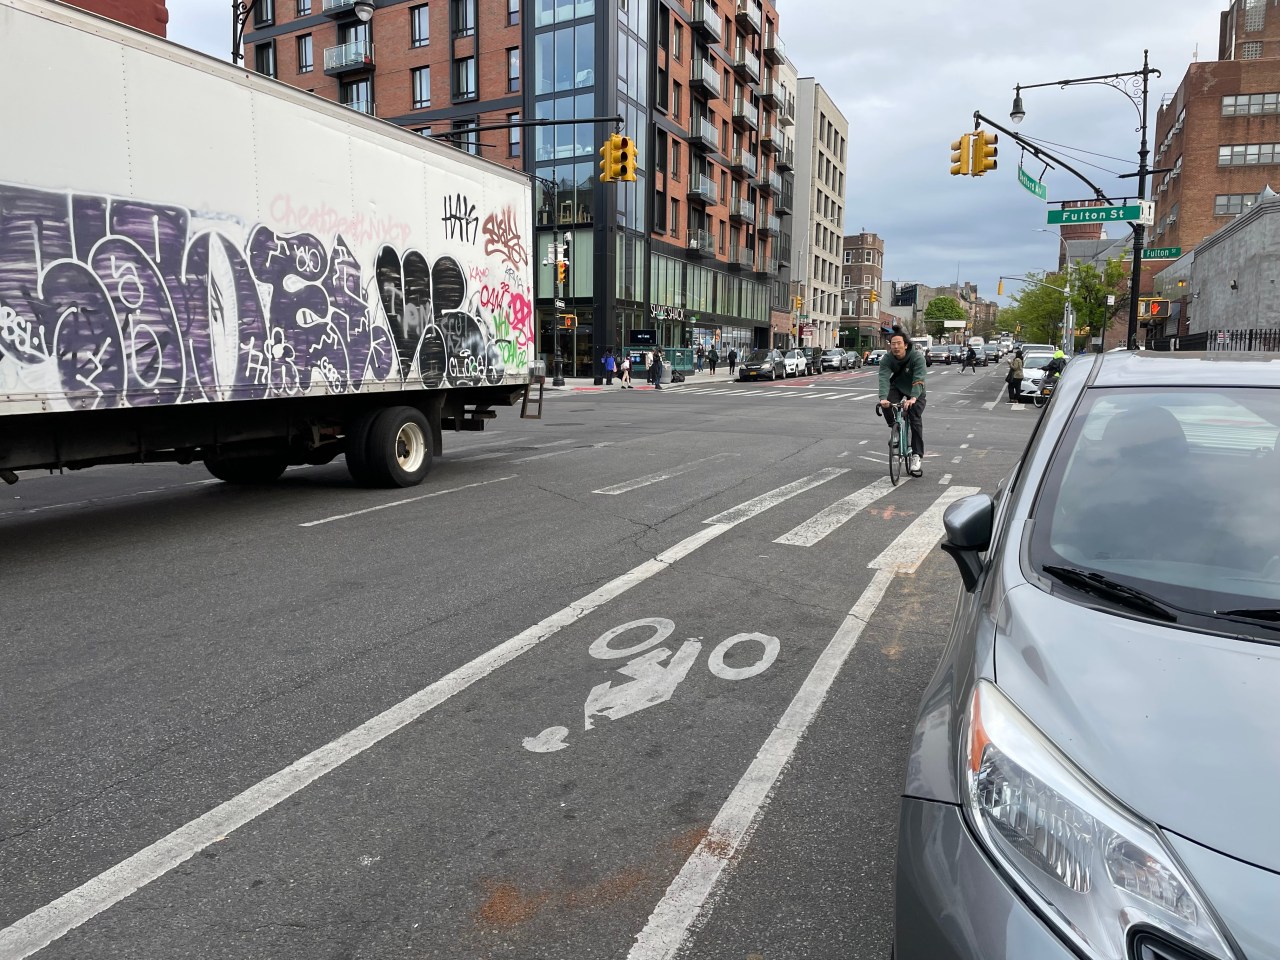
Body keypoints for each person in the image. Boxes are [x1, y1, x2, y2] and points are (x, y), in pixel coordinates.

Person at [877, 330, 927, 476]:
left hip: (916, 390)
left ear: (905, 345)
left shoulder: (917, 357)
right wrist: (882, 398)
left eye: (899, 343)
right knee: (886, 404)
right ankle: (895, 430)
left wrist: (913, 398)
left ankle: (916, 456)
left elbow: (919, 378)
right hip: (897, 386)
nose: (896, 346)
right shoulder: (887, 359)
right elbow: (884, 378)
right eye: (893, 344)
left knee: (915, 418)